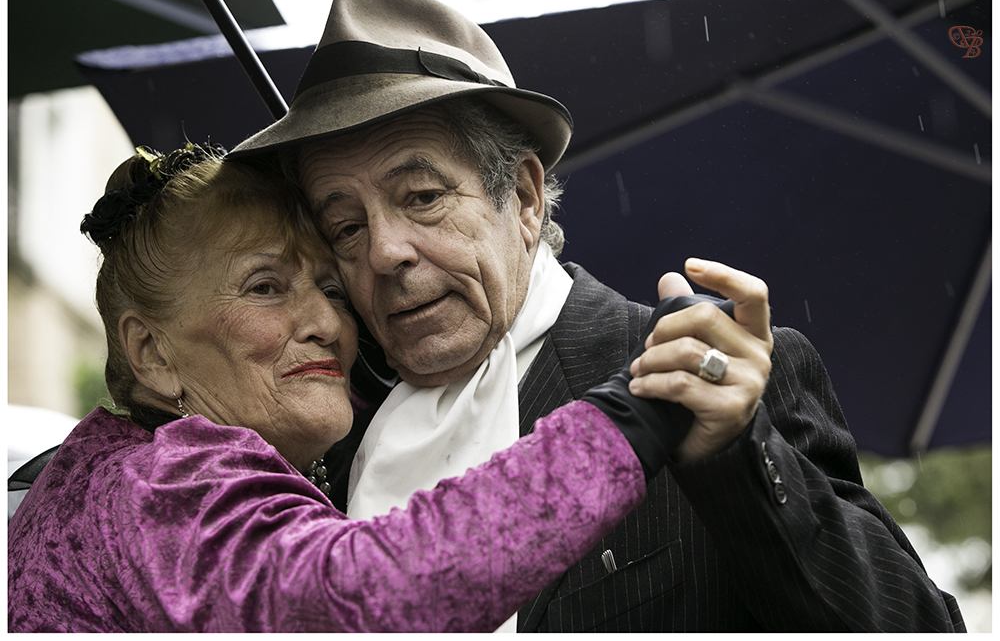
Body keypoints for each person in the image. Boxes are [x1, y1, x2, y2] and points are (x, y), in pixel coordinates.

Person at [228, 0, 965, 632]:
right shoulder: (329, 441)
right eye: (346, 227)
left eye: (422, 197)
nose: (385, 252)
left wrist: (737, 456)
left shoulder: (707, 373)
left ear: (520, 197)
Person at [7, 143, 708, 632]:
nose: (325, 323)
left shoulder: (103, 475)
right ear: (151, 352)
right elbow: (361, 598)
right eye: (265, 286)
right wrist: (633, 414)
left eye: (333, 289)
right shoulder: (163, 486)